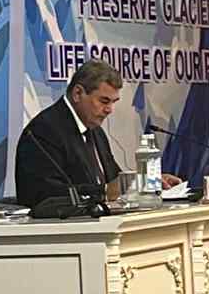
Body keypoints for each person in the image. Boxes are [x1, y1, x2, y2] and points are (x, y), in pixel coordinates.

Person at [15, 59, 179, 208]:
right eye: (104, 101)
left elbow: (114, 182)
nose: (109, 110)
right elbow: (45, 194)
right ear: (77, 93)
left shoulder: (94, 130)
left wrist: (148, 182)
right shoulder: (43, 131)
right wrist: (104, 192)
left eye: (113, 102)